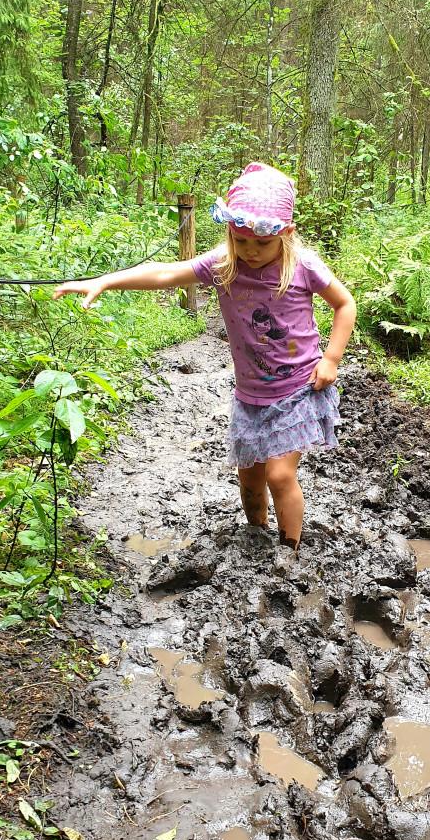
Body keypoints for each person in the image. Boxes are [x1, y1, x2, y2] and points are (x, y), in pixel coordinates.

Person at [53, 162, 356, 550]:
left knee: (280, 476)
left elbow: (345, 304)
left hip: (298, 388)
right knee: (249, 481)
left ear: (285, 233)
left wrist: (330, 359)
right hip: (251, 395)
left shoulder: (302, 266)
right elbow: (164, 274)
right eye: (240, 240)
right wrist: (106, 281)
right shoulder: (223, 264)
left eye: (261, 244)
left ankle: (290, 551)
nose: (250, 252)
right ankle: (256, 538)